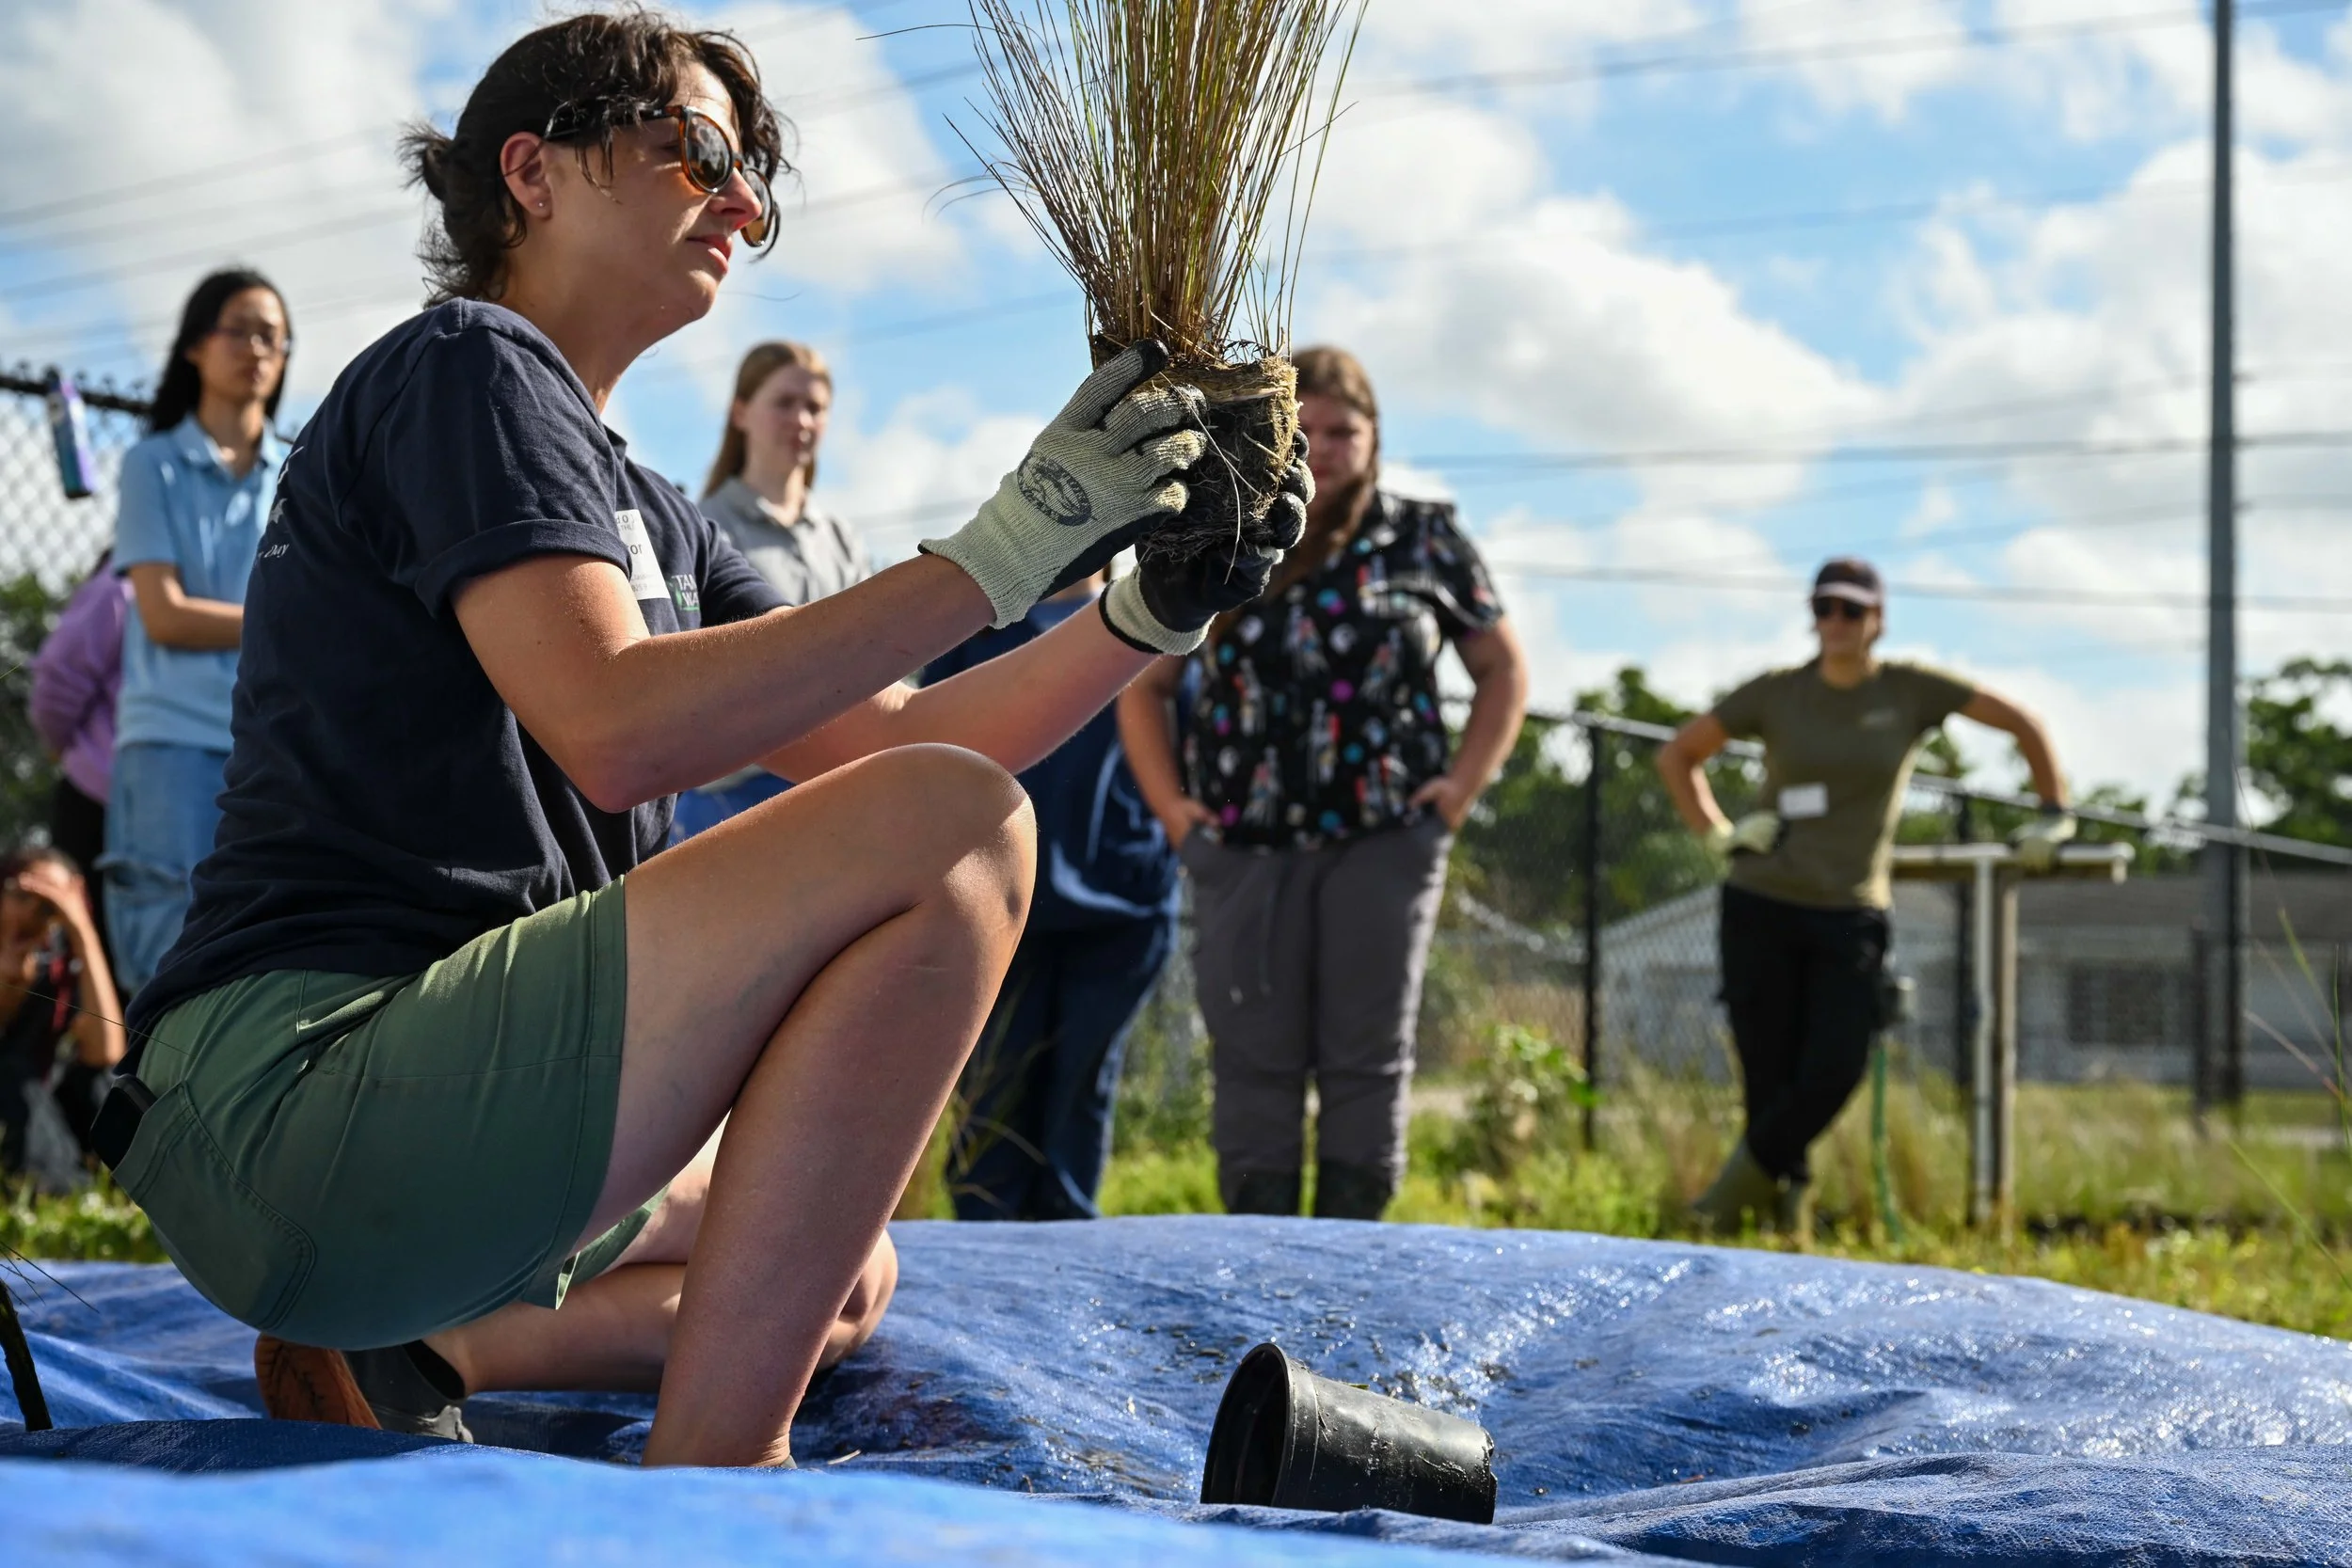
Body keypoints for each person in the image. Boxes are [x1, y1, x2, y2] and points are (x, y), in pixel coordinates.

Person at [99, 11, 1299, 1468]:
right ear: (533, 172)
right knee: (962, 834)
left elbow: (907, 733)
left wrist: (1145, 613)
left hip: (436, 1122)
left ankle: (419, 1352)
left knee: (835, 1267)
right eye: (701, 152)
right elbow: (616, 725)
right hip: (304, 1090)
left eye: (755, 184)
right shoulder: (466, 367)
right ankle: (724, 1486)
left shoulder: (657, 511)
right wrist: (1001, 551)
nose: (739, 203)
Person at [1120, 345, 1530, 1223]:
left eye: (1344, 429)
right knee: (1252, 1058)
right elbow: (1143, 684)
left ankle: (1352, 1257)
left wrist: (1457, 795)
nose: (1325, 446)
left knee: (1366, 1055)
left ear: (1375, 437)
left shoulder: (1423, 537)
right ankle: (1259, 1260)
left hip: (1384, 838)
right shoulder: (1224, 532)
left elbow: (1502, 670)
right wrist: (1175, 814)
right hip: (1242, 845)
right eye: (1304, 427)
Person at [1656, 558, 2073, 1232]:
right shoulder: (1777, 693)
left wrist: (2053, 812)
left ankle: (1721, 1206)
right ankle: (1781, 1221)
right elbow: (1678, 755)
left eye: (1852, 609)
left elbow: (2024, 724)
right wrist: (1718, 833)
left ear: (1878, 619)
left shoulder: (1910, 690)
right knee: (1767, 1075)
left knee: (1836, 1065)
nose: (1837, 622)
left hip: (1849, 910)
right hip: (1760, 901)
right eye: (1824, 608)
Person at [927, 569, 1182, 1221]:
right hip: (999, 908)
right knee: (992, 1100)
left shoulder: (1158, 615)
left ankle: (1068, 1255)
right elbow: (929, 752)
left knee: (1081, 1097)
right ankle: (985, 1258)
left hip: (1121, 905)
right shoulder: (976, 632)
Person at [104, 268, 291, 997]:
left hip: (269, 744)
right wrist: (281, 621)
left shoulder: (299, 473)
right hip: (170, 741)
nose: (257, 349)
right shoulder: (150, 464)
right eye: (239, 330)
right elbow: (165, 614)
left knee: (257, 954)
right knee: (163, 961)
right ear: (194, 346)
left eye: (272, 336)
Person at [673, 340, 867, 839]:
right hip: (731, 803)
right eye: (784, 402)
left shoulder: (840, 539)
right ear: (740, 412)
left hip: (840, 788)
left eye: (815, 408)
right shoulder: (703, 528)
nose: (801, 420)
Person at [0, 847, 125, 1191]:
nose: (35, 913)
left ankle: (129, 1179)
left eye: (50, 905)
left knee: (102, 1083)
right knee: (14, 1074)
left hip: (48, 1102)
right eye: (23, 896)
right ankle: (54, 1190)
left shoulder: (64, 964)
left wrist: (82, 931)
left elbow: (106, 1052)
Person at [30, 549, 133, 967]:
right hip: (95, 800)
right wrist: (71, 749)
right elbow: (59, 678)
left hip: (155, 803)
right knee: (80, 949)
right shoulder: (122, 583)